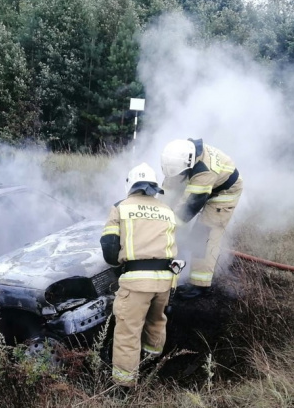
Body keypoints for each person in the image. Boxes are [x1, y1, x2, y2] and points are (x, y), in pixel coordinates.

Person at [101, 163, 180, 388]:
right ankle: (150, 364)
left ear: (131, 184)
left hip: (136, 283)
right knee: (156, 322)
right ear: (154, 186)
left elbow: (109, 250)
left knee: (128, 333)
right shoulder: (167, 210)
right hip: (165, 281)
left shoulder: (120, 207)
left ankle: (124, 387)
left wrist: (120, 264)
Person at [159, 138, 243, 298]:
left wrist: (169, 230)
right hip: (205, 183)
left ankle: (200, 285)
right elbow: (167, 191)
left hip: (224, 192)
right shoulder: (179, 157)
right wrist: (157, 214)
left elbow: (190, 205)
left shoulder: (204, 171)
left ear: (189, 164)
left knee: (204, 233)